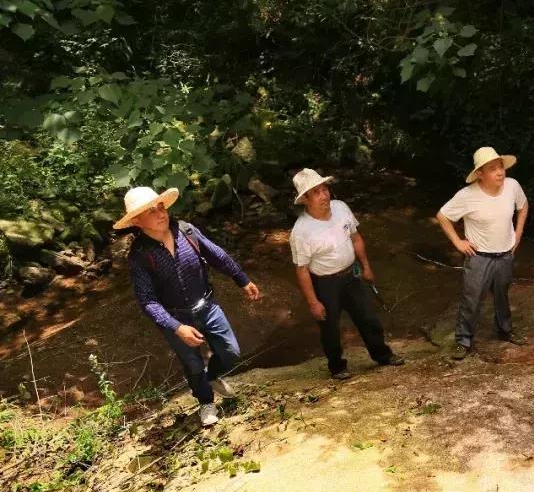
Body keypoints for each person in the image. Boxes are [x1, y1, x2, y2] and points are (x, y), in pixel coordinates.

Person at [116, 186, 261, 427]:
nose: (161, 213)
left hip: (207, 305)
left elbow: (217, 255)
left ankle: (212, 375)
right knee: (192, 364)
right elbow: (148, 301)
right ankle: (206, 402)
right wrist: (176, 327)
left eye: (161, 207)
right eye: (151, 211)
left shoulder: (186, 231)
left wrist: (241, 279)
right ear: (137, 221)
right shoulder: (140, 255)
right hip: (176, 317)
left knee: (230, 352)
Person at [289, 168, 404, 378]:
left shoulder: (341, 208)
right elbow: (302, 270)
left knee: (368, 318)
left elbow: (356, 238)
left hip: (352, 276)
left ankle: (382, 354)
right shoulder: (301, 231)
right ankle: (337, 367)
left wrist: (366, 266)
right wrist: (313, 302)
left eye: (324, 189)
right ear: (305, 199)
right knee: (330, 328)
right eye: (316, 192)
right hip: (324, 284)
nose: (324, 195)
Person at [436, 147, 529, 360]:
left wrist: (518, 233)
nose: (500, 172)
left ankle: (505, 330)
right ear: (480, 174)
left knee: (502, 295)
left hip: (505, 253)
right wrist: (457, 242)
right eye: (493, 169)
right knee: (472, 298)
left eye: (501, 167)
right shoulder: (466, 196)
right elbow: (442, 216)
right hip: (479, 257)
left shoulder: (512, 186)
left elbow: (523, 207)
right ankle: (463, 340)